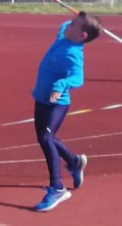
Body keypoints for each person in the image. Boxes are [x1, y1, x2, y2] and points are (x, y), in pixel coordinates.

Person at [30, 11, 102, 212]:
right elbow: (65, 24)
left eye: (73, 24)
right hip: (41, 99)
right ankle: (74, 161)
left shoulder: (74, 54)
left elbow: (78, 79)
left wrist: (61, 84)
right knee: (45, 138)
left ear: (82, 36)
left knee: (46, 138)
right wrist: (78, 16)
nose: (68, 25)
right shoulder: (64, 35)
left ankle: (57, 188)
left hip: (57, 103)